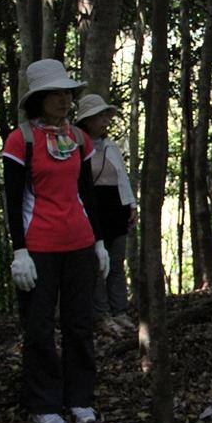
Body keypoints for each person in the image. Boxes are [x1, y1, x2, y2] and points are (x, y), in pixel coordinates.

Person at [2, 59, 110, 423]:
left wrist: (99, 242)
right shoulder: (22, 140)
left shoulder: (78, 138)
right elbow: (13, 200)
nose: (65, 100)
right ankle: (44, 402)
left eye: (68, 93)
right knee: (39, 327)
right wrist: (19, 251)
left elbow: (87, 194)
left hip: (79, 243)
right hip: (40, 248)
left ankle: (80, 397)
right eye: (56, 94)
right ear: (39, 98)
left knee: (79, 324)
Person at [75, 94, 137, 331]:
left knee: (117, 264)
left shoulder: (111, 146)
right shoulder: (77, 147)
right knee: (99, 264)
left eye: (105, 116)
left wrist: (131, 206)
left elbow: (122, 177)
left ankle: (119, 310)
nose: (104, 121)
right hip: (93, 210)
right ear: (87, 120)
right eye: (99, 117)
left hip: (116, 209)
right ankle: (101, 315)